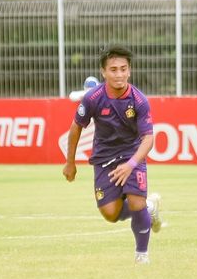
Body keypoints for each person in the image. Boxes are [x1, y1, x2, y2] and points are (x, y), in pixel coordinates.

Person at [62, 46, 162, 265]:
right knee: (110, 213)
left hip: (131, 154)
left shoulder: (139, 100)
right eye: (113, 69)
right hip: (104, 158)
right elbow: (75, 128)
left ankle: (142, 255)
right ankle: (149, 209)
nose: (119, 74)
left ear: (130, 71)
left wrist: (132, 164)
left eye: (123, 69)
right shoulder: (93, 98)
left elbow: (148, 138)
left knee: (136, 201)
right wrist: (70, 162)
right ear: (103, 72)